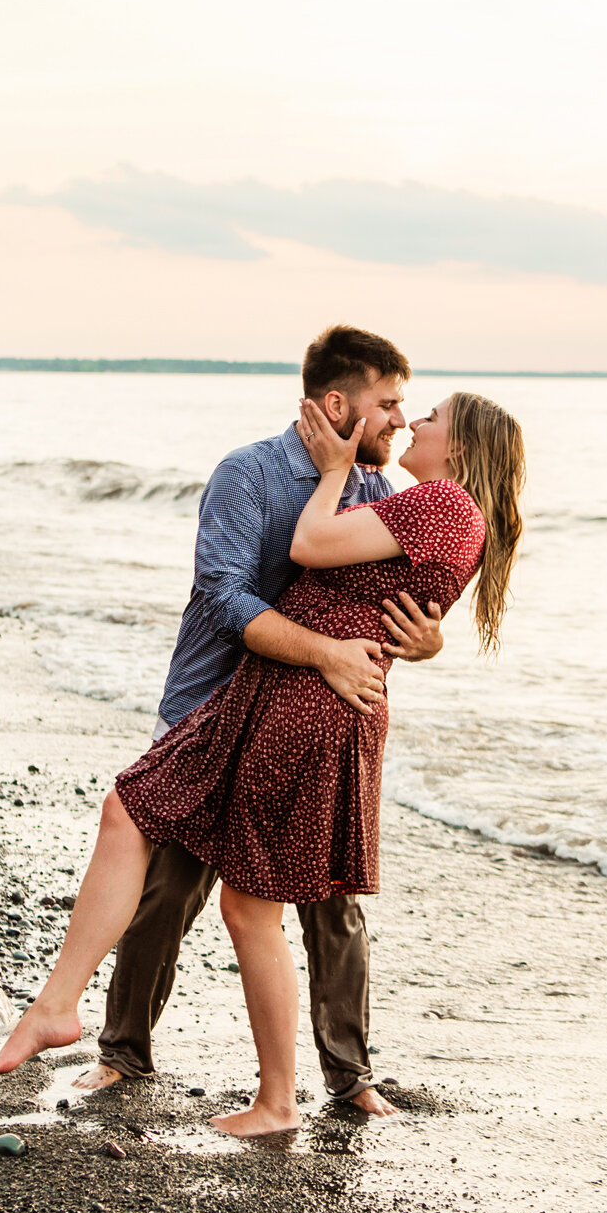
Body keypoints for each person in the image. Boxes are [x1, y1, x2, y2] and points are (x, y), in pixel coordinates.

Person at [0, 379, 528, 1140]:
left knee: (240, 892)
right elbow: (386, 609)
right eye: (401, 406)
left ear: (461, 446)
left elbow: (311, 547)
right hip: (284, 698)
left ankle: (279, 1097)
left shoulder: (439, 504)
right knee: (165, 838)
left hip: (304, 703)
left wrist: (334, 472)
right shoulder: (433, 510)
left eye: (428, 416)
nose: (413, 422)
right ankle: (87, 1021)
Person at [74, 326, 442, 1120]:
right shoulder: (250, 474)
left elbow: (402, 603)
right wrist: (324, 654)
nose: (401, 421)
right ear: (336, 404)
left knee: (331, 901)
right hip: (212, 707)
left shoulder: (379, 494)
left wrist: (429, 636)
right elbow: (225, 597)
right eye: (387, 404)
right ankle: (120, 1054)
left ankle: (350, 1078)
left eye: (407, 406)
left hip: (309, 731)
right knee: (168, 887)